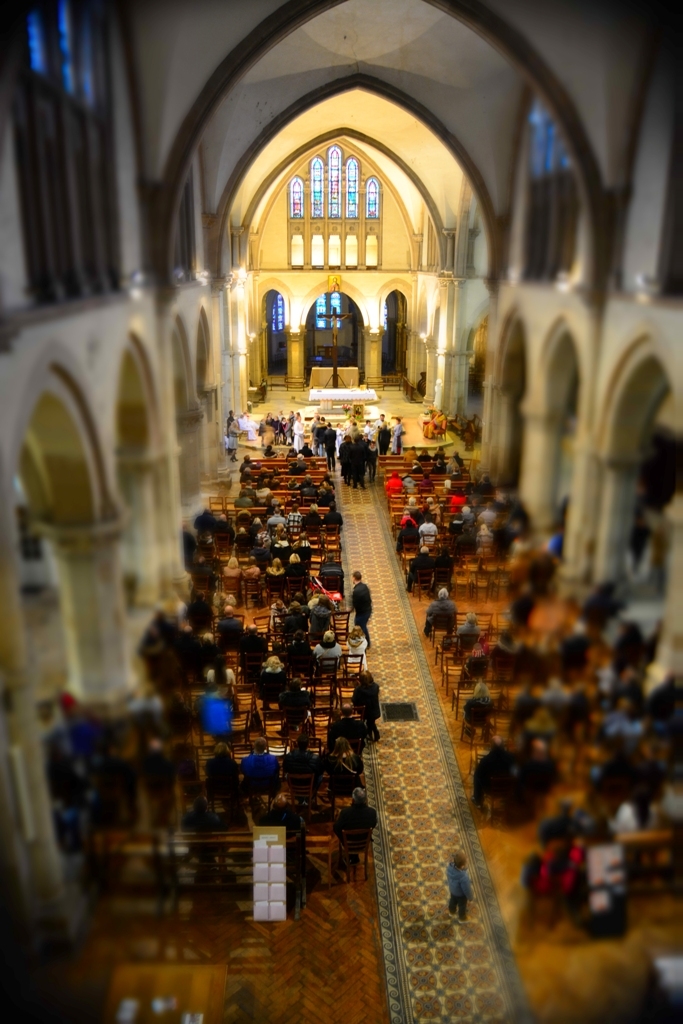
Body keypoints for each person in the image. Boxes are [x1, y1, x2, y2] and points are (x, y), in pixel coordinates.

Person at [471, 735, 516, 808]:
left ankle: (478, 800)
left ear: (491, 746)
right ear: (503, 746)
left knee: (477, 775)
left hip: (490, 789)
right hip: (507, 788)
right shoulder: (512, 758)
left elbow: (479, 776)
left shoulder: (485, 761)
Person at [333, 788, 377, 854]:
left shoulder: (345, 813)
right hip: (364, 844)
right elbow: (373, 824)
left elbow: (336, 828)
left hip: (348, 843)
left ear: (353, 800)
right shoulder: (372, 812)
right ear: (365, 800)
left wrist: (342, 838)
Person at [446, 849, 474, 923]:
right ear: (462, 866)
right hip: (461, 895)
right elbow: (466, 889)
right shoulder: (463, 877)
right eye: (466, 862)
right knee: (462, 905)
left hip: (452, 890)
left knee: (452, 901)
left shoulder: (449, 868)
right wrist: (470, 897)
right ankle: (462, 918)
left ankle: (451, 911)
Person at [353, 670, 381, 742]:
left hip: (363, 711)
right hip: (373, 710)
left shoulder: (358, 690)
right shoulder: (376, 687)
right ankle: (374, 734)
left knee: (367, 723)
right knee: (371, 722)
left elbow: (354, 700)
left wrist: (357, 686)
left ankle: (369, 734)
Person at [351, 570, 372, 647]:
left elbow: (355, 604)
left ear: (354, 578)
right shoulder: (365, 586)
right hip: (367, 610)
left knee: (360, 627)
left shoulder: (356, 591)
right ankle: (366, 642)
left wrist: (351, 609)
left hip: (362, 613)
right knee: (363, 626)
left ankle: (364, 643)